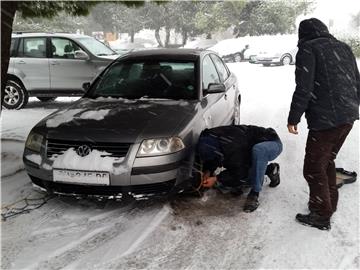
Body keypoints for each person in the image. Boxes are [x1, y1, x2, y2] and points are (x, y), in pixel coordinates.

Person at [287, 18, 360, 230]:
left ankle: (320, 215)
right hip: (347, 117)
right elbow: (356, 80)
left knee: (312, 168)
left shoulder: (308, 49)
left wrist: (294, 117)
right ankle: (329, 203)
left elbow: (304, 88)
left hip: (326, 120)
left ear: (303, 34)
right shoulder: (343, 47)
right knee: (327, 160)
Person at [197, 125, 283, 212]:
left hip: (271, 143)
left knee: (258, 152)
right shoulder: (210, 137)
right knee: (237, 176)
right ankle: (271, 170)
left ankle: (254, 193)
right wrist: (208, 171)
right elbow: (214, 156)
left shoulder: (233, 146)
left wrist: (216, 179)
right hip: (248, 149)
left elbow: (240, 171)